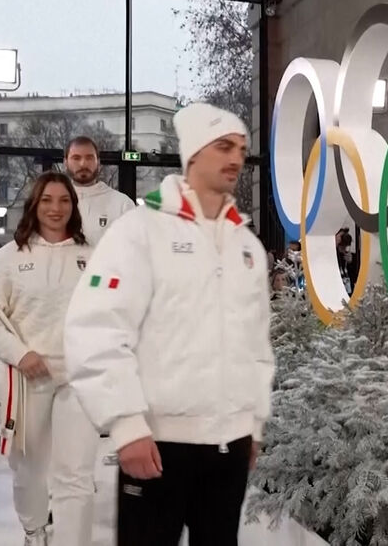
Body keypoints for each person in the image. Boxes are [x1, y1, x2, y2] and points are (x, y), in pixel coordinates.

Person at [64, 103, 275, 546]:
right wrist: (126, 426)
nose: (236, 157)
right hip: (158, 444)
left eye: (241, 147)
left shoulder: (247, 246)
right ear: (193, 154)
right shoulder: (140, 231)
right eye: (223, 146)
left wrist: (252, 425)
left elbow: (256, 344)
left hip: (230, 446)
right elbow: (97, 329)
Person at [0, 172, 96, 546]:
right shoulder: (8, 258)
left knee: (76, 474)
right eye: (47, 200)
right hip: (26, 382)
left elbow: (111, 313)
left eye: (64, 200)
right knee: (29, 472)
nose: (56, 208)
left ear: (73, 206)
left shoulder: (93, 256)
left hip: (78, 381)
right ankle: (34, 531)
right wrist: (20, 354)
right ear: (34, 205)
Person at [64, 136, 135, 246]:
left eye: (89, 158)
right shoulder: (53, 204)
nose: (83, 164)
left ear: (98, 162)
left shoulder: (122, 204)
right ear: (65, 163)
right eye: (76, 158)